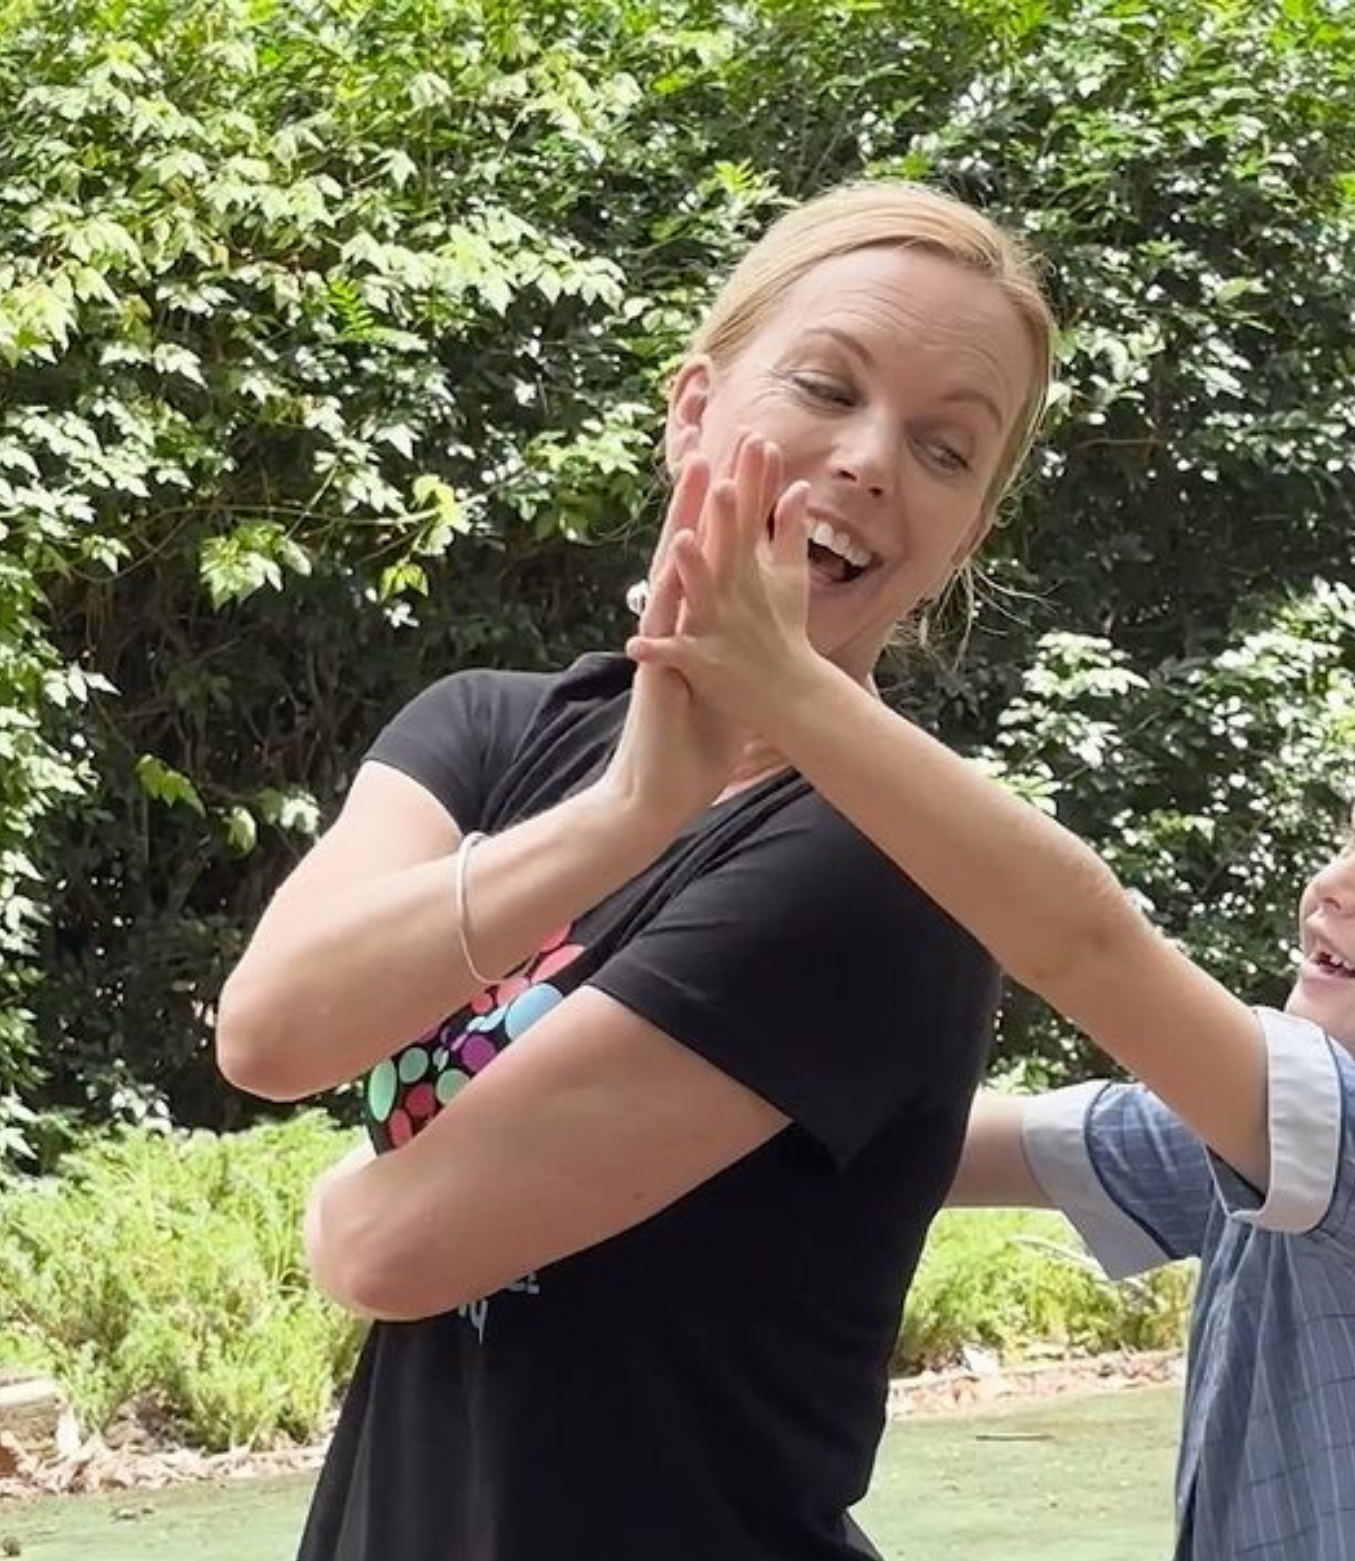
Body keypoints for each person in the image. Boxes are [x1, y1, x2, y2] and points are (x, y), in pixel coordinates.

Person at [629, 494, 1355, 1561]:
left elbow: (1083, 946)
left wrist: (799, 696)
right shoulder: (1298, 1148)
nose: (1335, 881)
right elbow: (944, 1140)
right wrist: (623, 1118)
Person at [213, 181, 1057, 1561]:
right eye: (827, 385)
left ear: (965, 538)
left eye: (946, 451)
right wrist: (625, 812)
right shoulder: (493, 730)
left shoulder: (885, 870)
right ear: (693, 411)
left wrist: (334, 1203)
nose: (867, 460)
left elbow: (394, 1245)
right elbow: (270, 1033)